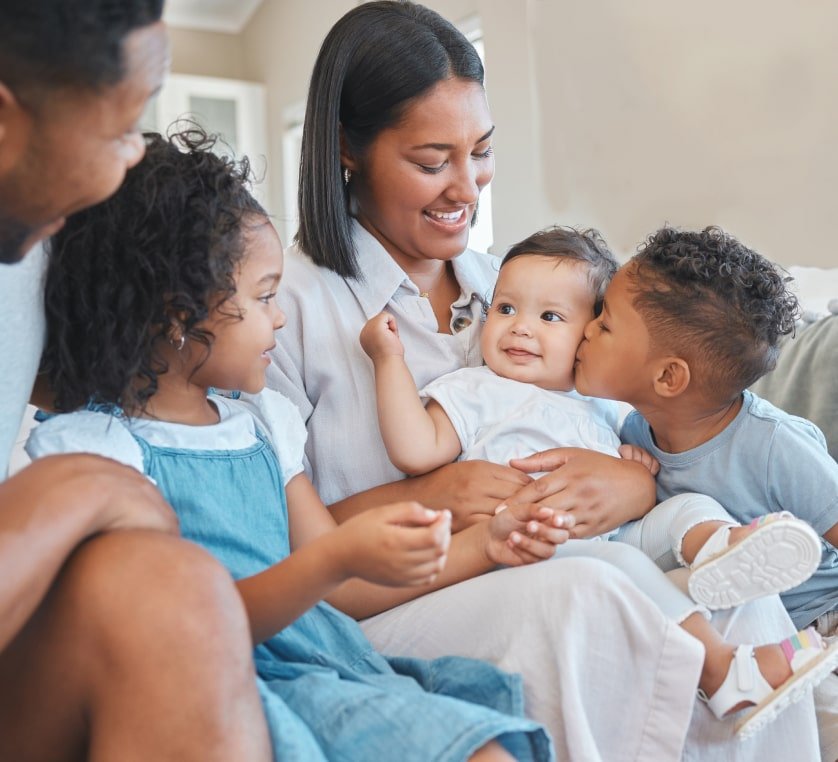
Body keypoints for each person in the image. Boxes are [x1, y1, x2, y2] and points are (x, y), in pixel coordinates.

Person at [266, 1, 821, 759]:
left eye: (482, 152)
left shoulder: (514, 282)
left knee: (736, 591)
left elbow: (607, 417)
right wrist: (434, 494)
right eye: (433, 162)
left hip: (551, 547)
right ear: (346, 149)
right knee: (591, 594)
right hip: (390, 601)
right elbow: (278, 539)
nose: (468, 187)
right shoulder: (283, 309)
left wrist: (628, 485)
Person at [27, 127, 570, 761]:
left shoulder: (264, 424)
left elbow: (339, 589)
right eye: (262, 298)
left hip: (334, 665)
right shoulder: (102, 453)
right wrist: (335, 560)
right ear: (178, 317)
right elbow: (179, 625)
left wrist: (487, 542)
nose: (279, 318)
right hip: (230, 684)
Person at [361, 223, 836, 736]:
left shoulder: (617, 411)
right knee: (614, 565)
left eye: (593, 322)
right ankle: (719, 665)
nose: (523, 328)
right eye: (504, 309)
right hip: (541, 547)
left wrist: (631, 470)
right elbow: (415, 449)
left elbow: (638, 481)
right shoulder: (479, 390)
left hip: (654, 550)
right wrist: (389, 361)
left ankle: (720, 547)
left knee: (686, 509)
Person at [0, 3, 271, 760]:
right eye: (121, 128)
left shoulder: (33, 240)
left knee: (168, 591)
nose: (128, 161)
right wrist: (77, 492)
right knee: (172, 591)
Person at [573, 225, 838, 633]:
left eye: (605, 324)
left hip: (822, 613)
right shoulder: (629, 435)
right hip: (744, 625)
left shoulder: (774, 445)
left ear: (667, 378)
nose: (586, 329)